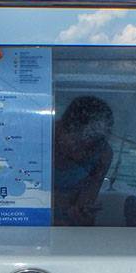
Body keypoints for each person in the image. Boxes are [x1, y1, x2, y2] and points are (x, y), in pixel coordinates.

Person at [53, 96, 114, 226]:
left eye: (94, 146)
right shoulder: (39, 139)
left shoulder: (102, 155)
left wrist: (83, 214)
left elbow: (85, 203)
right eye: (80, 143)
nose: (84, 155)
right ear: (62, 128)